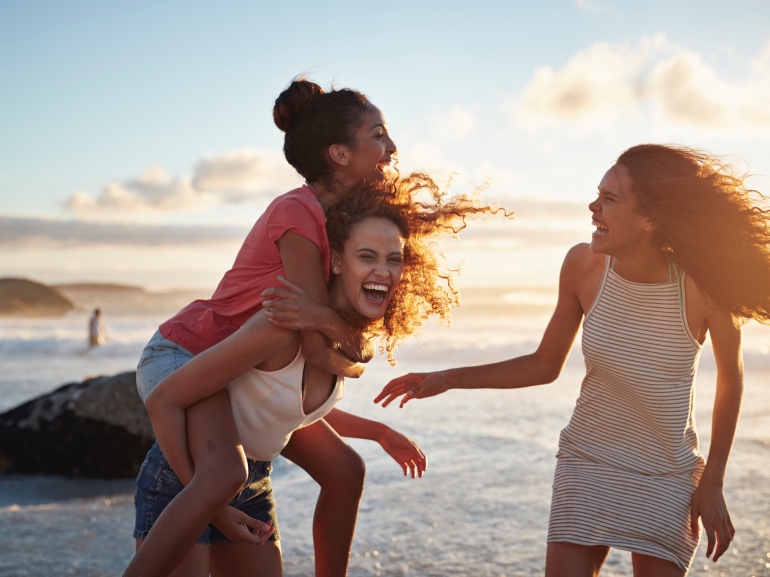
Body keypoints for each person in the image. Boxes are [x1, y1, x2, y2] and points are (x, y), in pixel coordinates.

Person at [376, 144, 770, 577]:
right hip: (588, 460)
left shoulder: (702, 289)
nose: (593, 206)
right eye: (596, 194)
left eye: (610, 200)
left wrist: (712, 479)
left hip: (667, 472)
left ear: (650, 219)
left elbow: (730, 379)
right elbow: (545, 365)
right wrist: (446, 378)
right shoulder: (584, 266)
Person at [131, 174, 507, 577]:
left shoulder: (342, 339)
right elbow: (164, 398)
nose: (383, 270)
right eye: (367, 256)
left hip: (252, 485)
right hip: (186, 480)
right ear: (337, 261)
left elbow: (285, 409)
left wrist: (377, 431)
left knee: (348, 468)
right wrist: (211, 503)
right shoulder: (283, 324)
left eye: (393, 259)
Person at [123, 76, 399, 577]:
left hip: (236, 367)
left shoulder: (339, 221)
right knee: (225, 473)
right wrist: (332, 330)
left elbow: (319, 366)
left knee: (343, 469)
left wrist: (371, 413)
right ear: (338, 153)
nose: (391, 147)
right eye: (378, 135)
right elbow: (319, 352)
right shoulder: (298, 214)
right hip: (187, 353)